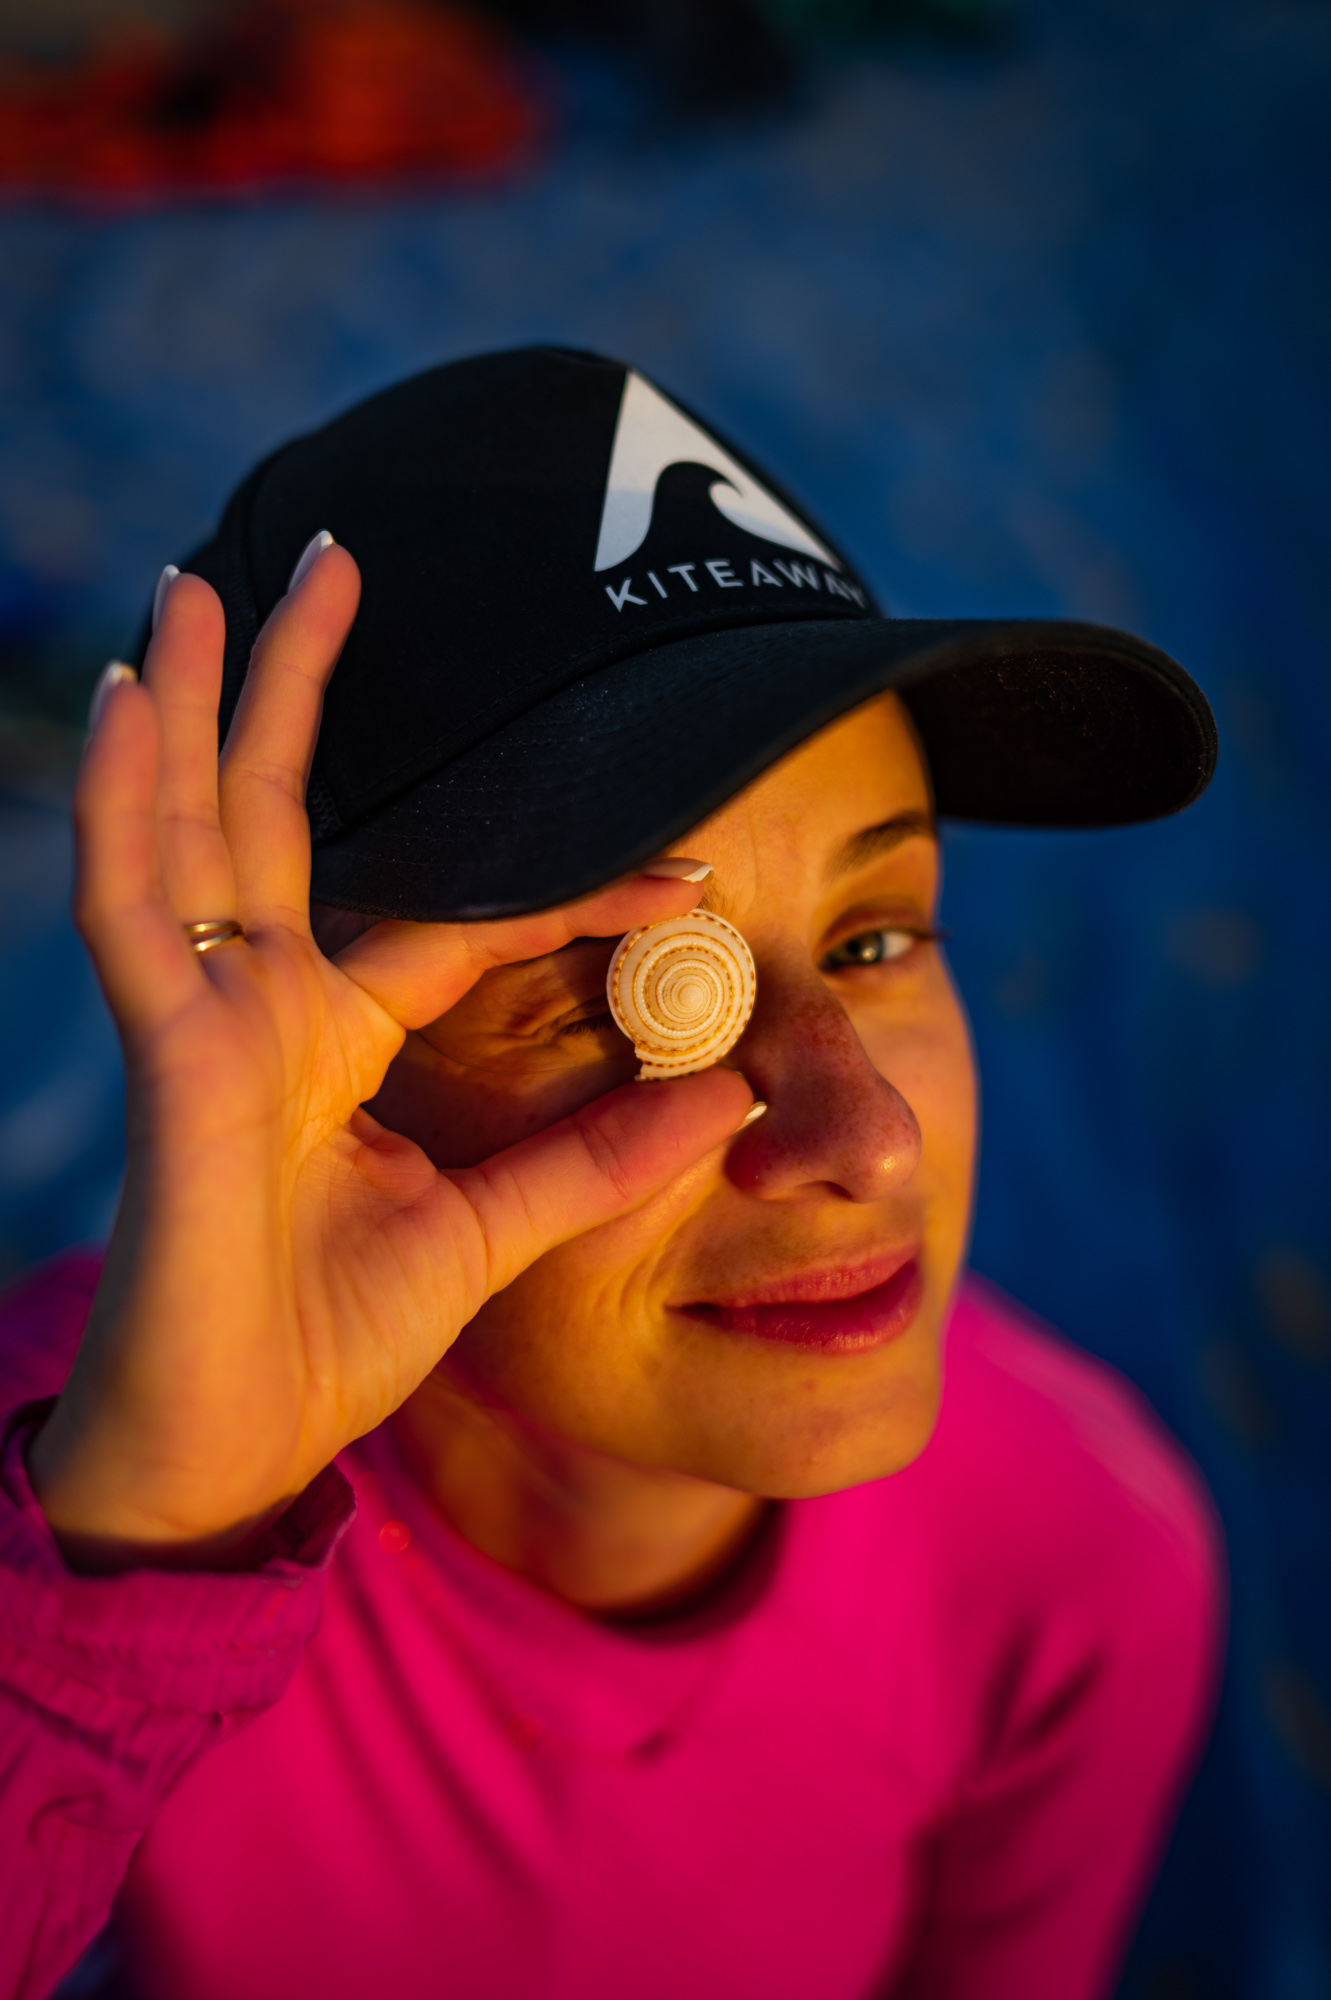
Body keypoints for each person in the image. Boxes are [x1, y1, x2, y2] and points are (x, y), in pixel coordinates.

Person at [0, 348, 1223, 2000]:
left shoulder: (1071, 1564)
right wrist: (132, 1564)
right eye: (620, 999)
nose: (866, 1137)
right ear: (327, 1086)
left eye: (875, 939)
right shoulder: (74, 1478)